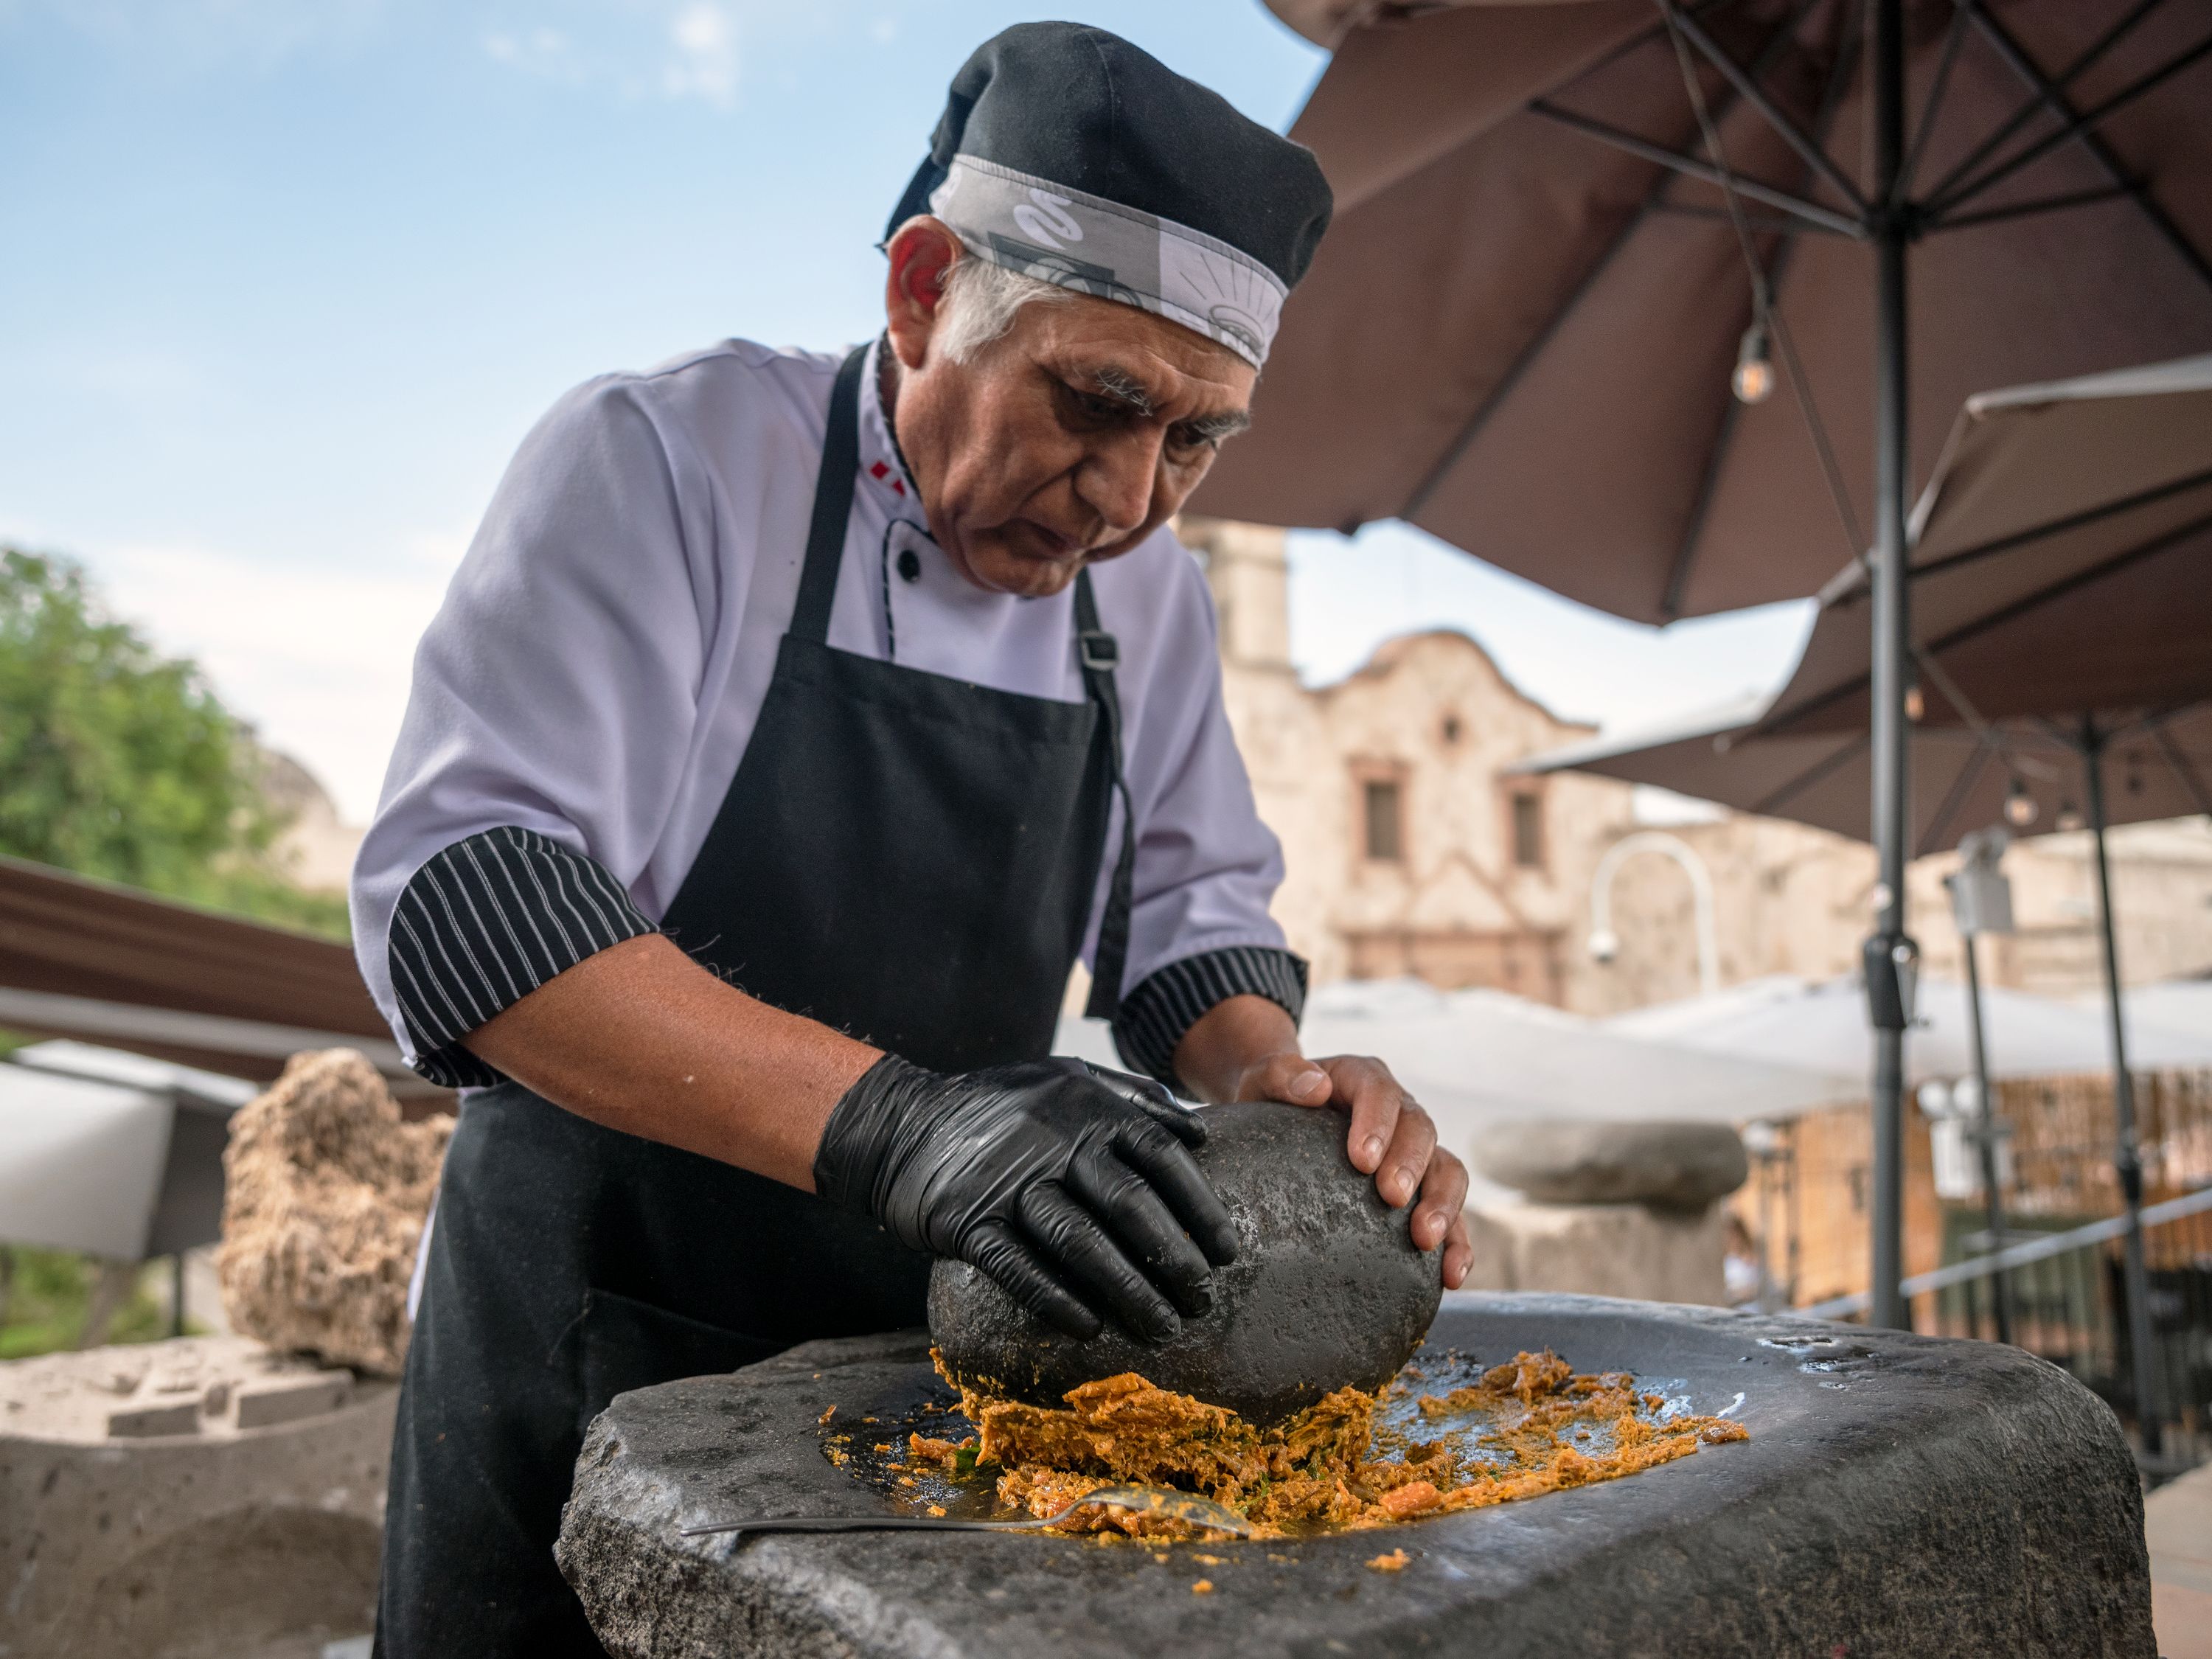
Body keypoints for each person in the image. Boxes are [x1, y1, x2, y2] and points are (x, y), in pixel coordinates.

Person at [350, 23, 1472, 1655]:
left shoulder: (1143, 594)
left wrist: (1284, 1100)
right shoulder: (669, 462)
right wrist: (912, 1135)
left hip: (922, 1361)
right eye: (1101, 403)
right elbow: (472, 905)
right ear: (925, 290)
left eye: (1198, 440)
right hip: (595, 1329)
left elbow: (1189, 930)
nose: (1132, 499)